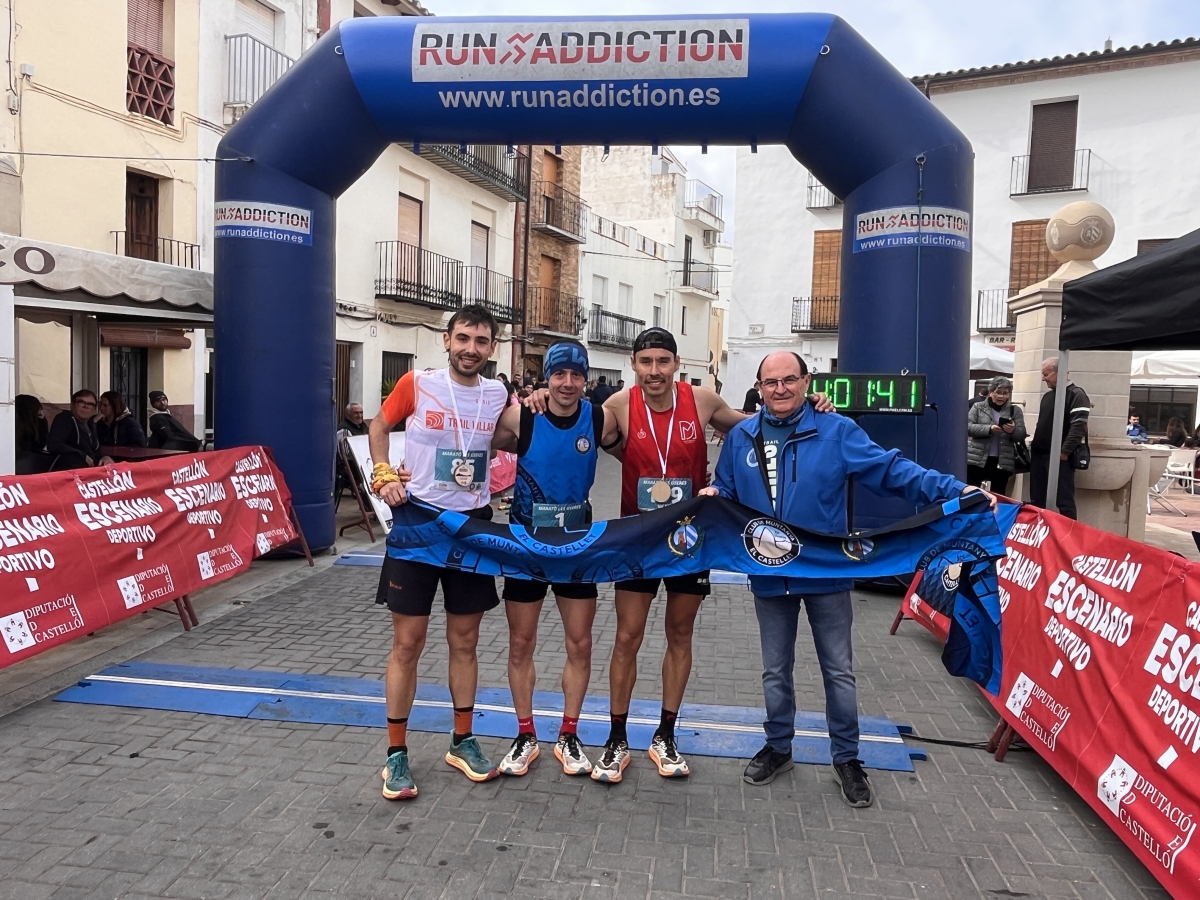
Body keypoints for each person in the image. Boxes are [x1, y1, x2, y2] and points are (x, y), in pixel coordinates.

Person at [700, 351, 993, 806]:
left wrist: (957, 490)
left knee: (838, 671)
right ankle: (778, 746)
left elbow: (894, 471)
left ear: (806, 382)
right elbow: (729, 488)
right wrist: (715, 493)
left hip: (827, 572)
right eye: (770, 382)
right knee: (775, 670)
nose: (780, 389)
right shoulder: (741, 437)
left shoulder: (836, 430)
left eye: (789, 380)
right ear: (759, 388)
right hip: (770, 573)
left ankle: (847, 758)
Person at [585, 327, 833, 784]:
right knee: (627, 638)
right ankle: (616, 738)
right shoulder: (618, 405)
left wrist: (807, 405)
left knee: (680, 634)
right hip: (638, 538)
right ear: (634, 365)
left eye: (663, 361)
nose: (654, 371)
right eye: (646, 362)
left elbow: (758, 424)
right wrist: (537, 399)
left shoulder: (701, 400)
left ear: (676, 364)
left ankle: (665, 735)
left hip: (689, 540)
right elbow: (568, 426)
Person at [369, 305, 510, 801]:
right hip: (418, 523)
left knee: (465, 642)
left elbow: (522, 431)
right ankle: (396, 754)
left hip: (471, 527)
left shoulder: (498, 394)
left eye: (481, 341)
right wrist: (383, 473)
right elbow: (378, 426)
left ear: (492, 347)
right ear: (447, 339)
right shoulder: (417, 383)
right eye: (463, 338)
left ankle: (462, 740)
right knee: (407, 643)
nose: (471, 349)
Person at [489, 340, 622, 778]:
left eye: (576, 375)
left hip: (577, 548)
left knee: (580, 644)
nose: (567, 383)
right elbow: (473, 444)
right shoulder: (522, 417)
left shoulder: (600, 419)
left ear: (586, 379)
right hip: (526, 548)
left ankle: (569, 735)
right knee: (521, 644)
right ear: (546, 377)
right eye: (559, 374)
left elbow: (640, 454)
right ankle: (525, 735)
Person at [1030, 357, 1090, 520]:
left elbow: (1079, 427)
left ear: (1060, 372)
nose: (1043, 379)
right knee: (1037, 500)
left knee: (1064, 501)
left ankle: (1070, 533)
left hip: (1059, 457)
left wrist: (1064, 452)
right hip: (1039, 456)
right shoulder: (1047, 397)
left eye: (1046, 374)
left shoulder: (1076, 395)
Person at [966, 376, 1025, 496]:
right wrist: (989, 429)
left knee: (999, 495)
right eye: (998, 392)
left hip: (1002, 461)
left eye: (1005, 393)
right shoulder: (978, 407)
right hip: (977, 459)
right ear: (991, 392)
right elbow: (968, 428)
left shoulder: (1015, 410)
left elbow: (1021, 434)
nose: (1001, 396)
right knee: (972, 494)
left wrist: (1013, 430)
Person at [47, 389, 110, 470]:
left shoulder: (91, 425)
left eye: (90, 404)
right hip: (67, 471)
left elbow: (94, 453)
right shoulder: (65, 419)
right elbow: (54, 445)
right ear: (72, 405)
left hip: (88, 471)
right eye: (81, 402)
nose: (86, 406)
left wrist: (105, 458)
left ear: (94, 409)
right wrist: (81, 455)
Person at [15, 394, 51, 474]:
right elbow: (39, 444)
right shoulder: (19, 429)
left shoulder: (31, 426)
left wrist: (42, 421)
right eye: (38, 410)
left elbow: (40, 444)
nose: (41, 413)